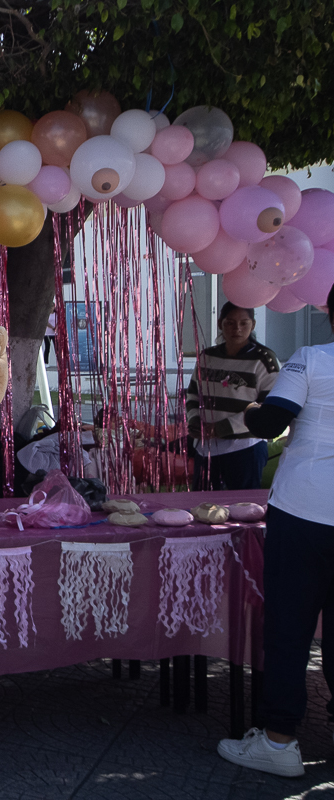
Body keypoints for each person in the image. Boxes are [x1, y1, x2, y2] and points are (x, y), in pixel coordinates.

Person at [217, 285, 334, 777]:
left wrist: (247, 411)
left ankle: (280, 741)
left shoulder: (310, 359)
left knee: (289, 627)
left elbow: (271, 423)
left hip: (304, 512)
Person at [186, 302, 280, 490]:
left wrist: (223, 427)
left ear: (252, 325)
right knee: (202, 506)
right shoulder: (207, 357)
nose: (237, 329)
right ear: (220, 324)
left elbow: (267, 406)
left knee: (242, 508)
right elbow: (193, 395)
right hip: (206, 448)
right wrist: (195, 421)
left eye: (243, 323)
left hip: (245, 447)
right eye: (230, 323)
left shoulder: (264, 360)